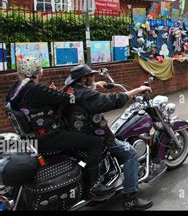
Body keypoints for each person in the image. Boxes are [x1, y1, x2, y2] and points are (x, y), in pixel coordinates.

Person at [5, 57, 114, 199]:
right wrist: (87, 89)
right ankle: (94, 185)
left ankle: (81, 173)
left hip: (30, 138)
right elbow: (70, 98)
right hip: (49, 136)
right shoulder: (36, 89)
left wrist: (51, 94)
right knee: (96, 142)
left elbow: (35, 103)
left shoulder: (15, 89)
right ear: (39, 71)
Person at [63, 64, 154, 211]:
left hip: (76, 135)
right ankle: (130, 198)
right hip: (94, 135)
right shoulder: (88, 96)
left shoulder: (69, 90)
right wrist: (138, 90)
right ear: (84, 79)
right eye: (91, 77)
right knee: (130, 153)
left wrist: (96, 85)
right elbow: (113, 100)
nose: (94, 78)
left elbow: (85, 96)